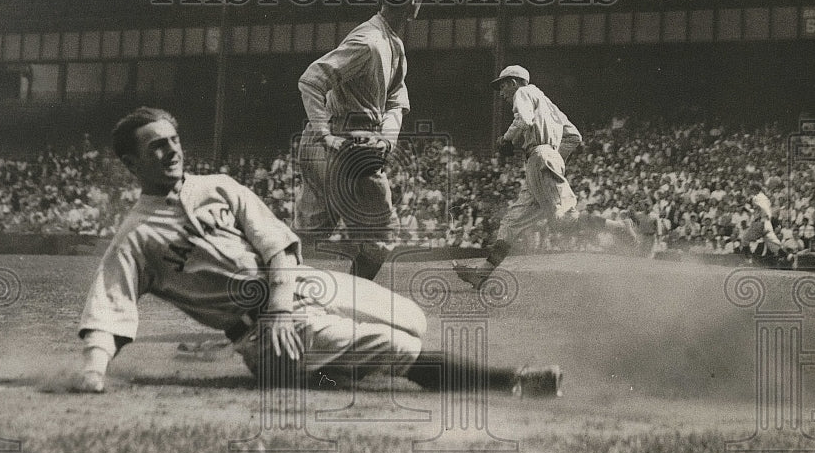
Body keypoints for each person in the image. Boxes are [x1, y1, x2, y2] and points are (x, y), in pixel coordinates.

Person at [76, 107, 562, 398]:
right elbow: (108, 308)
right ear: (130, 162)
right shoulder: (136, 236)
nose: (171, 151)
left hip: (298, 291)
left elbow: (280, 248)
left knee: (412, 319)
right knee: (402, 349)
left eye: (173, 140)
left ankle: (331, 366)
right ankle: (515, 382)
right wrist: (94, 370)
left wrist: (285, 307)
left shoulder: (218, 187)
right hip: (261, 331)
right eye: (156, 147)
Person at [294, 0, 435, 281]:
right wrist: (326, 133)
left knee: (308, 235)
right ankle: (355, 304)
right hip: (345, 145)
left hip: (327, 146)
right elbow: (311, 80)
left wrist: (386, 138)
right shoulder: (370, 43)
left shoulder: (391, 43)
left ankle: (271, 295)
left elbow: (397, 98)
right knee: (381, 236)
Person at [453, 66, 637, 290]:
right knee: (511, 223)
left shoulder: (523, 93)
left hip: (539, 158)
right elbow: (574, 137)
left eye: (502, 85)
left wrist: (507, 139)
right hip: (542, 160)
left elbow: (524, 120)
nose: (501, 92)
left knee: (563, 221)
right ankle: (482, 275)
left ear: (514, 82)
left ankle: (619, 227)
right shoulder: (548, 103)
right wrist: (554, 159)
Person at [739, 180, 784, 259]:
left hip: (760, 223)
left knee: (745, 239)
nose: (750, 191)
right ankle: (787, 256)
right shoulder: (762, 197)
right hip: (765, 223)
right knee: (771, 243)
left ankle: (748, 259)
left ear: (755, 189)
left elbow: (763, 211)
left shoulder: (758, 198)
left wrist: (762, 223)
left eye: (751, 189)